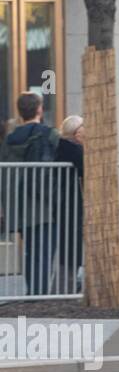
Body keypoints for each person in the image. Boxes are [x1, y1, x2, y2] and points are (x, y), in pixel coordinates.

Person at [0, 93, 61, 295]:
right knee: (45, 250)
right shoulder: (48, 134)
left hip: (20, 204)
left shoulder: (9, 139)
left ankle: (33, 291)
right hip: (44, 203)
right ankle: (40, 293)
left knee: (30, 251)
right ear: (39, 109)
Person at [53, 115, 85, 292]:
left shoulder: (62, 146)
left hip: (65, 201)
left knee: (68, 243)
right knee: (71, 244)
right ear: (77, 132)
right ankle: (68, 284)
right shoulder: (74, 149)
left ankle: (67, 283)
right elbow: (86, 168)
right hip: (70, 202)